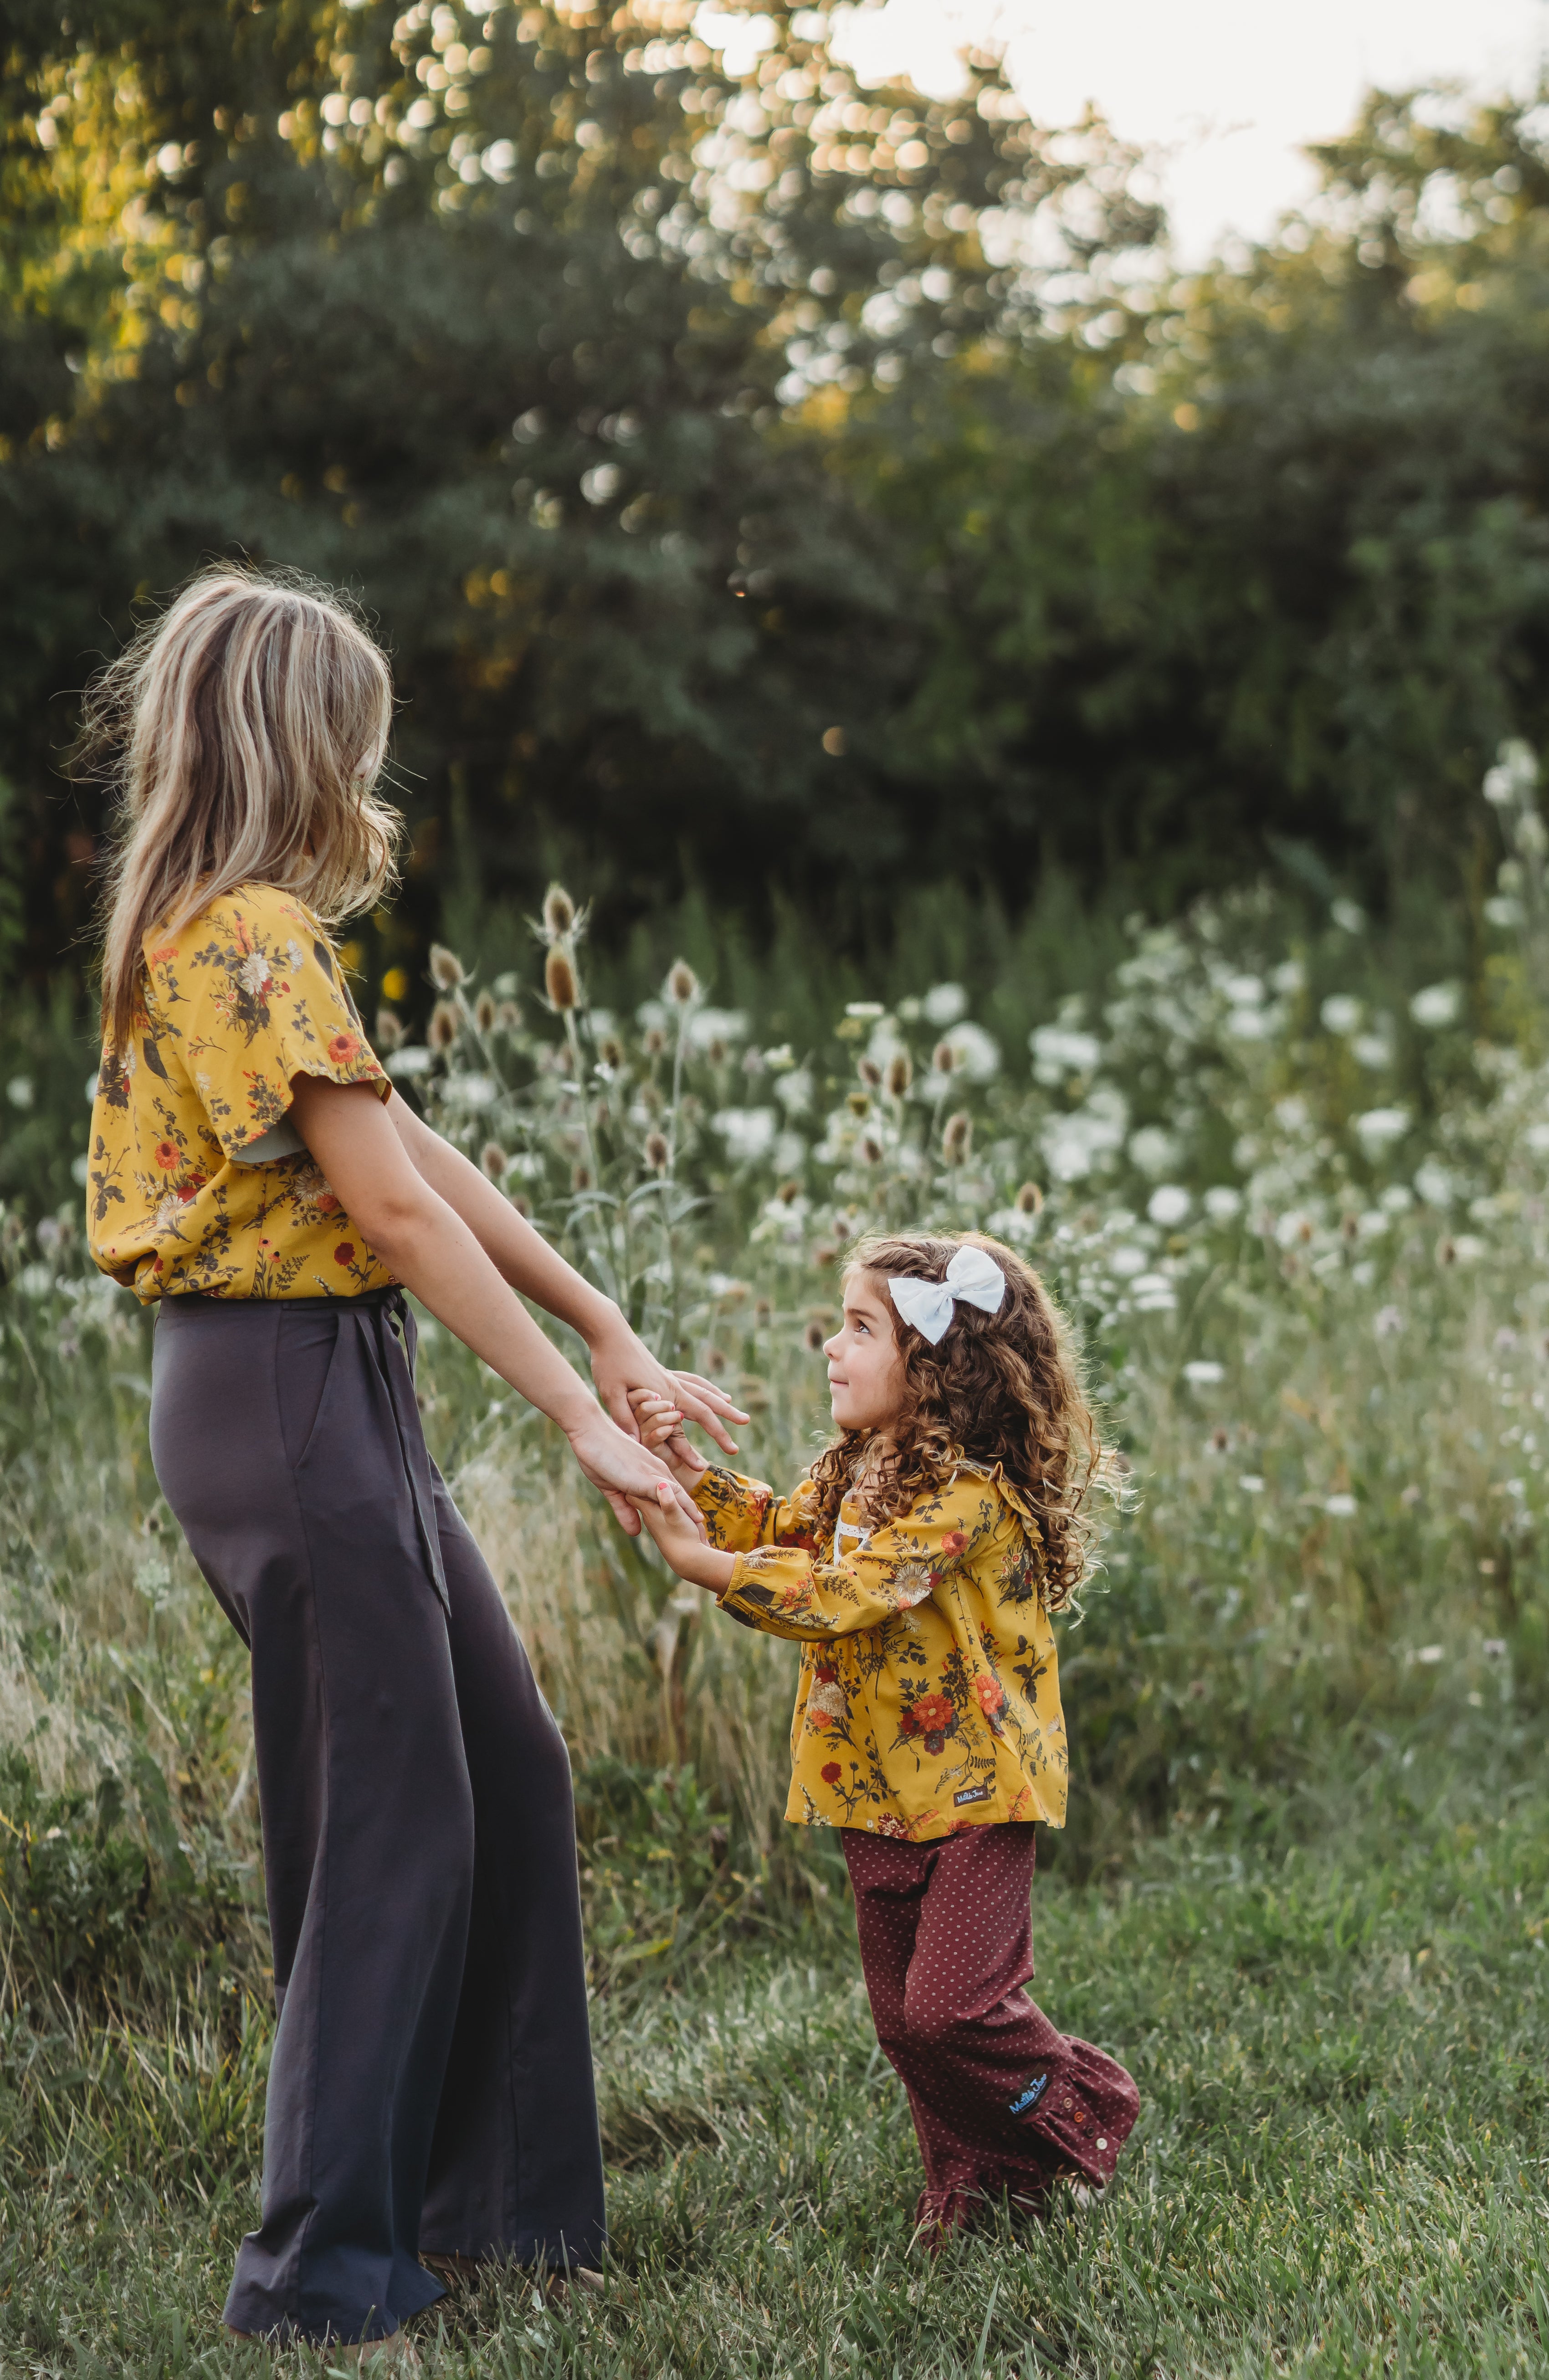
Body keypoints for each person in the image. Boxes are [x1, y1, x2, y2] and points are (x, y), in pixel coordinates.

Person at [81, 566, 745, 2358]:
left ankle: (500, 2208)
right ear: (306, 744)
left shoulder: (242, 939)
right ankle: (323, 2263)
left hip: (308, 1386)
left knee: (499, 1766)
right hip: (283, 1389)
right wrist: (574, 1414)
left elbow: (409, 1158)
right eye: (360, 741)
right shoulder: (244, 939)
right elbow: (376, 1204)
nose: (371, 775)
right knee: (389, 1816)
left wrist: (605, 1322)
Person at [627, 1230, 1139, 2239]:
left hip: (977, 1786)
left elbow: (851, 1594)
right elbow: (782, 1527)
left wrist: (703, 1569)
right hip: (865, 1780)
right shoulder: (857, 1466)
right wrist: (681, 1470)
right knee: (903, 2025)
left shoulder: (966, 1499)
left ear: (934, 1365)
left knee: (952, 2010)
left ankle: (1086, 2107)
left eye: (858, 1327)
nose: (829, 1345)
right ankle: (975, 2183)